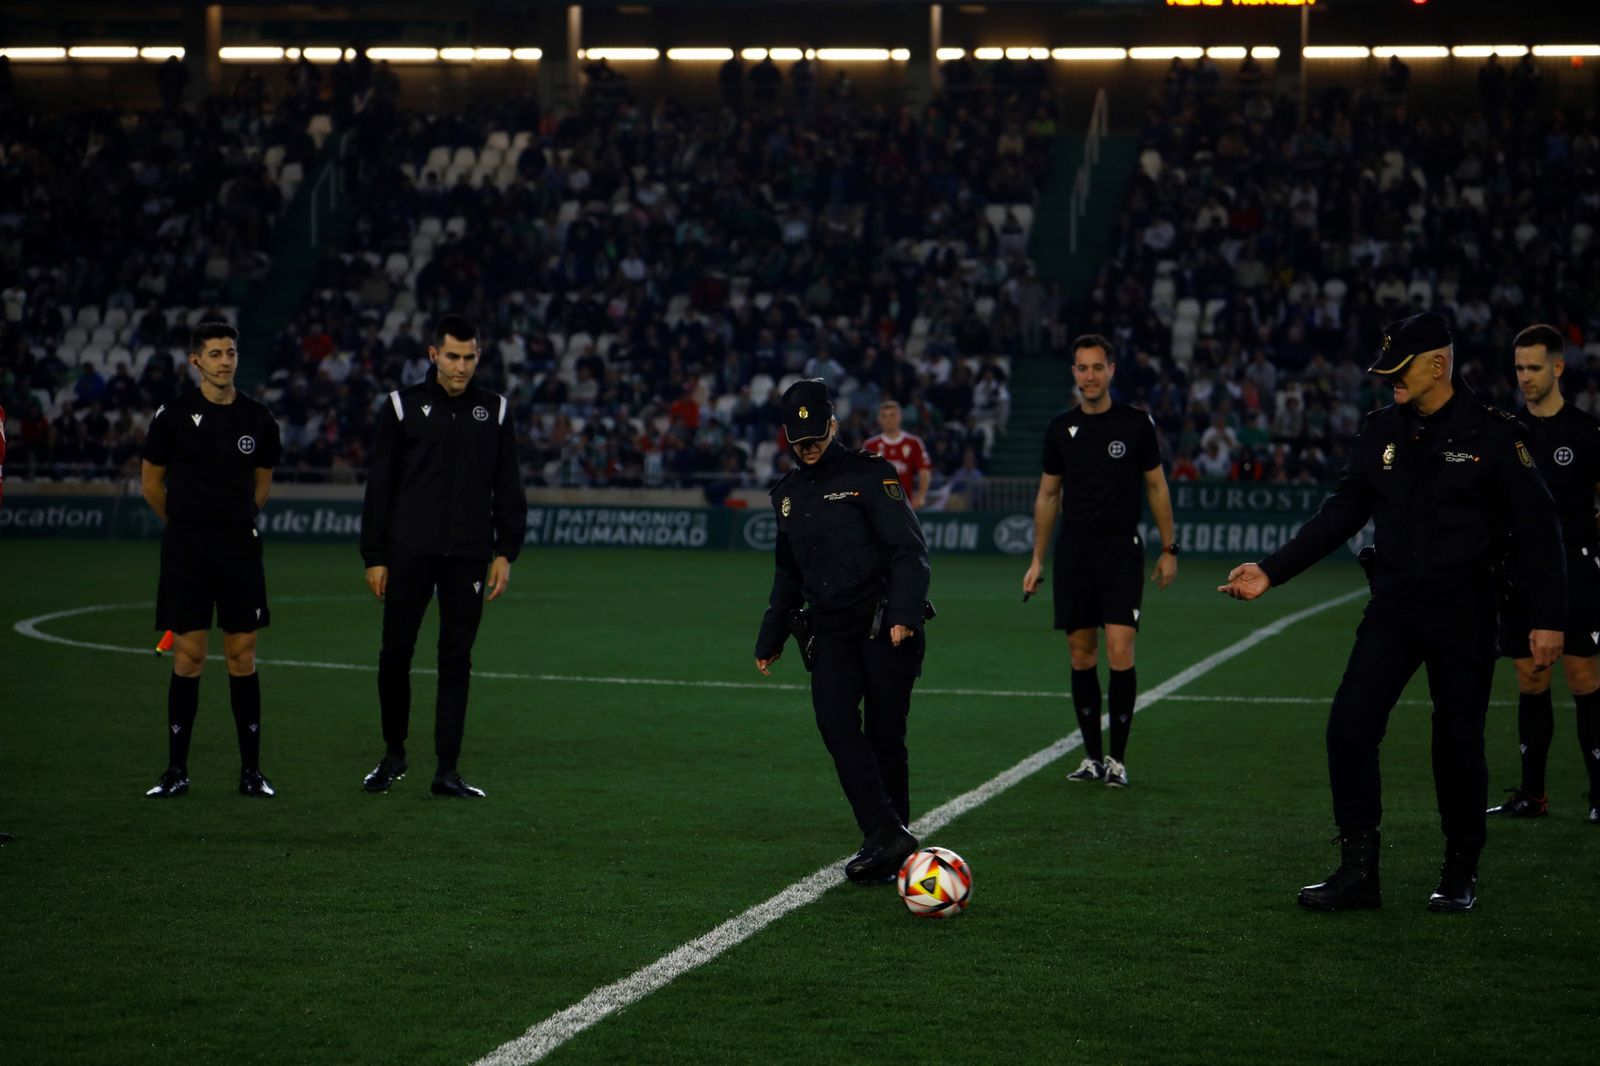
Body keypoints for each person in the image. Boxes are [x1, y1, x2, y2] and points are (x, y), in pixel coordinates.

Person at [1219, 311, 1566, 913]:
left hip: (1465, 610)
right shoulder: (1381, 428)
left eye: (1399, 369)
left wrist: (1549, 618)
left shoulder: (1495, 434)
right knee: (1349, 727)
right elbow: (1342, 512)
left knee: (1456, 743)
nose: (1389, 380)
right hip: (1395, 606)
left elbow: (1541, 531)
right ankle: (1358, 872)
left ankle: (1459, 872)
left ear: (1438, 364)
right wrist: (1272, 570)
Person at [754, 379, 932, 885]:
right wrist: (770, 638)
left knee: (884, 736)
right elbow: (787, 574)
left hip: (882, 625)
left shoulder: (871, 476)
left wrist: (905, 614)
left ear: (833, 425)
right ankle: (884, 830)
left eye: (816, 436)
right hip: (828, 630)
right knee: (834, 723)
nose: (809, 447)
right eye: (799, 441)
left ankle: (890, 841)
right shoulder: (786, 495)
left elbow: (908, 551)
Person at [359, 315, 527, 799]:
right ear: (433, 355)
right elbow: (380, 488)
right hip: (409, 552)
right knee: (395, 655)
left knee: (456, 659)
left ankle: (447, 770)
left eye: (469, 357)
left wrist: (505, 551)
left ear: (479, 356)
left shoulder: (494, 410)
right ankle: (394, 754)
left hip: (469, 556)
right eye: (452, 356)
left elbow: (508, 486)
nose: (461, 366)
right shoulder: (400, 406)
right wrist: (375, 555)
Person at [1022, 334, 1178, 790]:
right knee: (1081, 654)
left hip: (1120, 552)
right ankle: (1092, 757)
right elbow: (1049, 495)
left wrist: (1169, 549)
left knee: (1120, 651)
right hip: (1074, 554)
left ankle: (1118, 760)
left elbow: (1157, 487)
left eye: (1097, 367)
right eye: (1081, 368)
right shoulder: (1060, 428)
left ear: (1111, 370)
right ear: (1073, 373)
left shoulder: (1135, 424)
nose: (1089, 376)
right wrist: (1037, 560)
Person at [139, 322, 283, 799]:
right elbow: (151, 485)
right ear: (195, 361)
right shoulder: (173, 416)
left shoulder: (259, 418)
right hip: (187, 550)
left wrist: (236, 519)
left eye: (231, 353)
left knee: (243, 658)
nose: (225, 361)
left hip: (239, 548)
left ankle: (251, 773)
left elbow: (261, 484)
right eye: (215, 353)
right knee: (188, 657)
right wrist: (184, 524)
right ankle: (176, 772)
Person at [1491, 324, 1600, 824]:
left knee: (1583, 675)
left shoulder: (1585, 431)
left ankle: (1599, 794)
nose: (1526, 377)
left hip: (1577, 567)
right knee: (1530, 676)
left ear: (1558, 367)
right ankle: (1532, 795)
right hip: (1523, 571)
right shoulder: (1508, 431)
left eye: (1535, 367)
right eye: (1519, 368)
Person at [863, 399, 933, 509]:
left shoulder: (913, 443)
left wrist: (921, 496)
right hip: (878, 506)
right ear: (879, 419)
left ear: (900, 417)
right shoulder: (870, 445)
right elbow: (864, 475)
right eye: (884, 416)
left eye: (892, 415)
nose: (888, 420)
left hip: (906, 505)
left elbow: (924, 471)